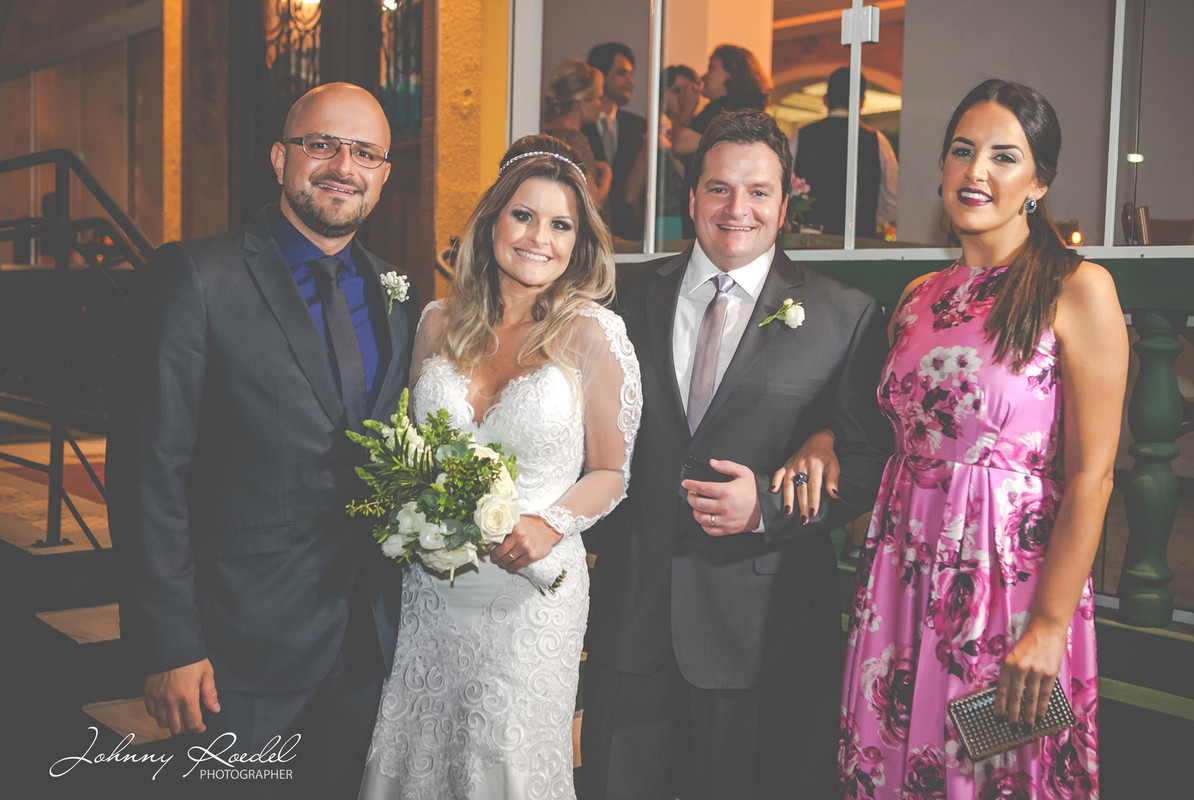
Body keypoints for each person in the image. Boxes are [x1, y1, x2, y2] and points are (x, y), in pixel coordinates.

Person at [106, 82, 418, 798]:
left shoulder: (395, 293)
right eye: (322, 145)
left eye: (364, 152)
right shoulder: (198, 276)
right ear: (280, 158)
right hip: (236, 650)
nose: (343, 166)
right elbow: (149, 470)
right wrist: (169, 643)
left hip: (366, 644)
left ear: (383, 175)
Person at [817, 79, 1123, 798]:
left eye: (1003, 156)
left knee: (991, 774)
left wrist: (1048, 626)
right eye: (962, 150)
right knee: (899, 763)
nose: (976, 170)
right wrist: (823, 440)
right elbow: (885, 429)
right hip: (902, 573)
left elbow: (1094, 476)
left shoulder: (1077, 289)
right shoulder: (918, 296)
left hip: (1009, 586)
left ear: (1038, 183)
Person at [581, 108, 892, 799]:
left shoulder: (845, 316)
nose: (736, 208)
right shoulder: (619, 299)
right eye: (719, 188)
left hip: (761, 637)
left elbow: (869, 459)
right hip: (632, 621)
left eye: (758, 192)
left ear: (784, 206)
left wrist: (767, 509)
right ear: (693, 198)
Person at [358, 134, 642, 799]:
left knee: (504, 763)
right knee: (419, 751)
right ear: (492, 223)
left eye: (560, 224)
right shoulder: (437, 323)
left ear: (578, 242)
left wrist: (550, 522)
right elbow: (412, 448)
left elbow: (612, 471)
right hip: (433, 587)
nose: (539, 237)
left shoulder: (593, 334)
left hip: (530, 590)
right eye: (523, 215)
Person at [791, 66, 899, 237]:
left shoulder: (801, 136)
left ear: (825, 99)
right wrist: (866, 220)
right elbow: (892, 202)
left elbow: (784, 186)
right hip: (859, 239)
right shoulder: (878, 141)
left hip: (810, 239)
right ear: (862, 101)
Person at [624, 65, 704, 240]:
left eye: (687, 92)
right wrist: (651, 145)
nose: (682, 98)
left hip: (692, 225)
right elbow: (630, 194)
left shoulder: (698, 136)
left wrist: (670, 147)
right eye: (676, 91)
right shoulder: (654, 132)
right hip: (657, 227)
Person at [582, 42, 649, 240]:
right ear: (601, 75)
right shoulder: (580, 126)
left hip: (629, 234)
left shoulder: (639, 126)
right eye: (622, 73)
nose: (630, 81)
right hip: (587, 232)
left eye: (631, 74)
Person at [669, 45, 771, 160]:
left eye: (711, 68)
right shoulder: (749, 107)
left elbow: (681, 145)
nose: (704, 77)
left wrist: (687, 107)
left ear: (731, 69)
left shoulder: (730, 108)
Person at [542, 58, 614, 208]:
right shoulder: (575, 140)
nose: (600, 105)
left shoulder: (546, 134)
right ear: (583, 103)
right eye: (598, 98)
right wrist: (607, 173)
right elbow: (594, 200)